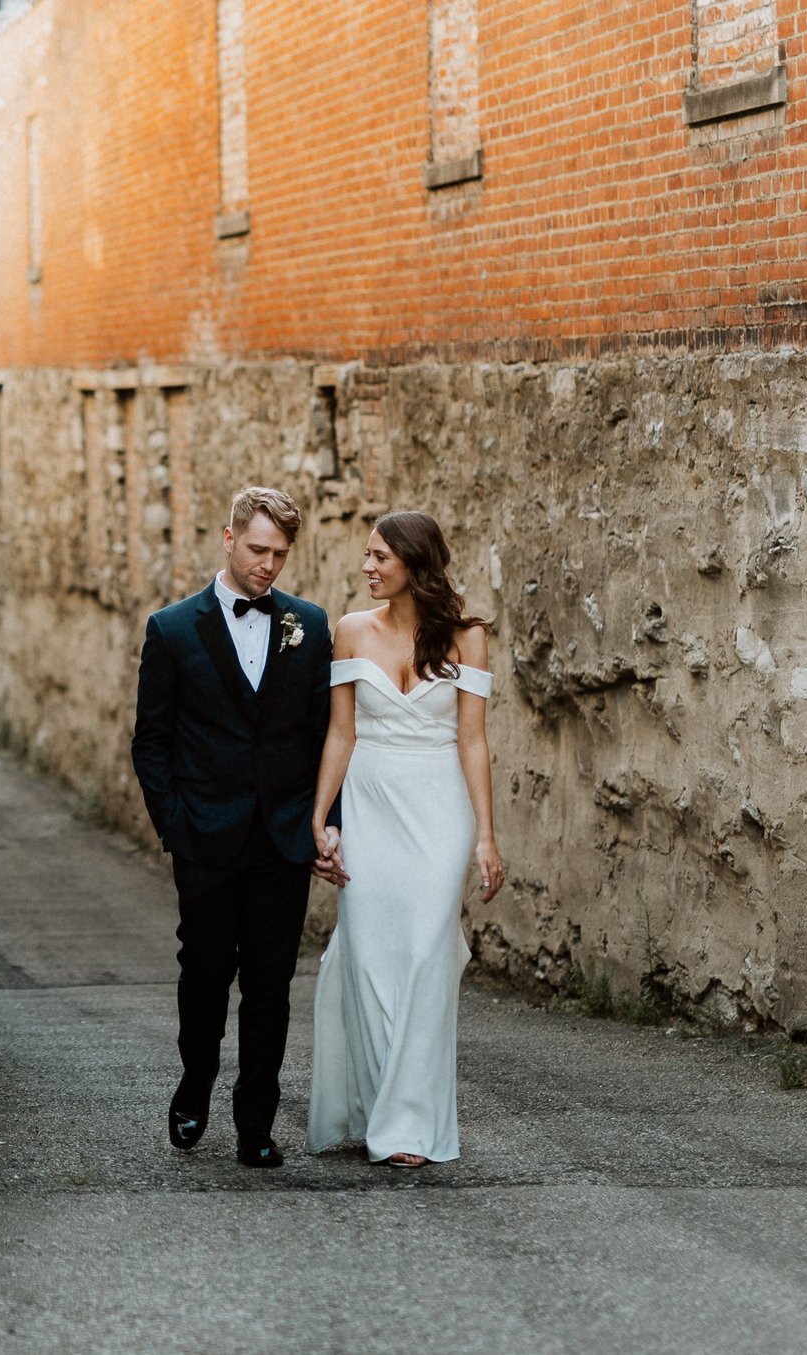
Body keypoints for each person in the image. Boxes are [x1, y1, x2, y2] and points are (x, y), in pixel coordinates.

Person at [131, 486, 334, 1168]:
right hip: (206, 837)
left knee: (271, 982)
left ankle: (256, 1123)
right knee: (206, 971)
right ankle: (196, 1081)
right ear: (227, 538)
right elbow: (150, 742)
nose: (268, 565)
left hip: (281, 837)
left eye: (280, 554)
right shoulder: (173, 629)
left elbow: (323, 735)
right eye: (257, 549)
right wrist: (174, 824)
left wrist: (321, 824)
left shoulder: (308, 625)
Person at [305, 510, 503, 1167]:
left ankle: (408, 1123)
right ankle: (375, 1105)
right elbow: (342, 731)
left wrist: (485, 836)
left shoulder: (469, 638)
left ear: (416, 565)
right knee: (366, 956)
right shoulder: (350, 632)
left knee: (425, 956)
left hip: (439, 809)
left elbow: (472, 740)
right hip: (370, 804)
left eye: (380, 557)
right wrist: (321, 816)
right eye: (366, 555)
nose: (367, 567)